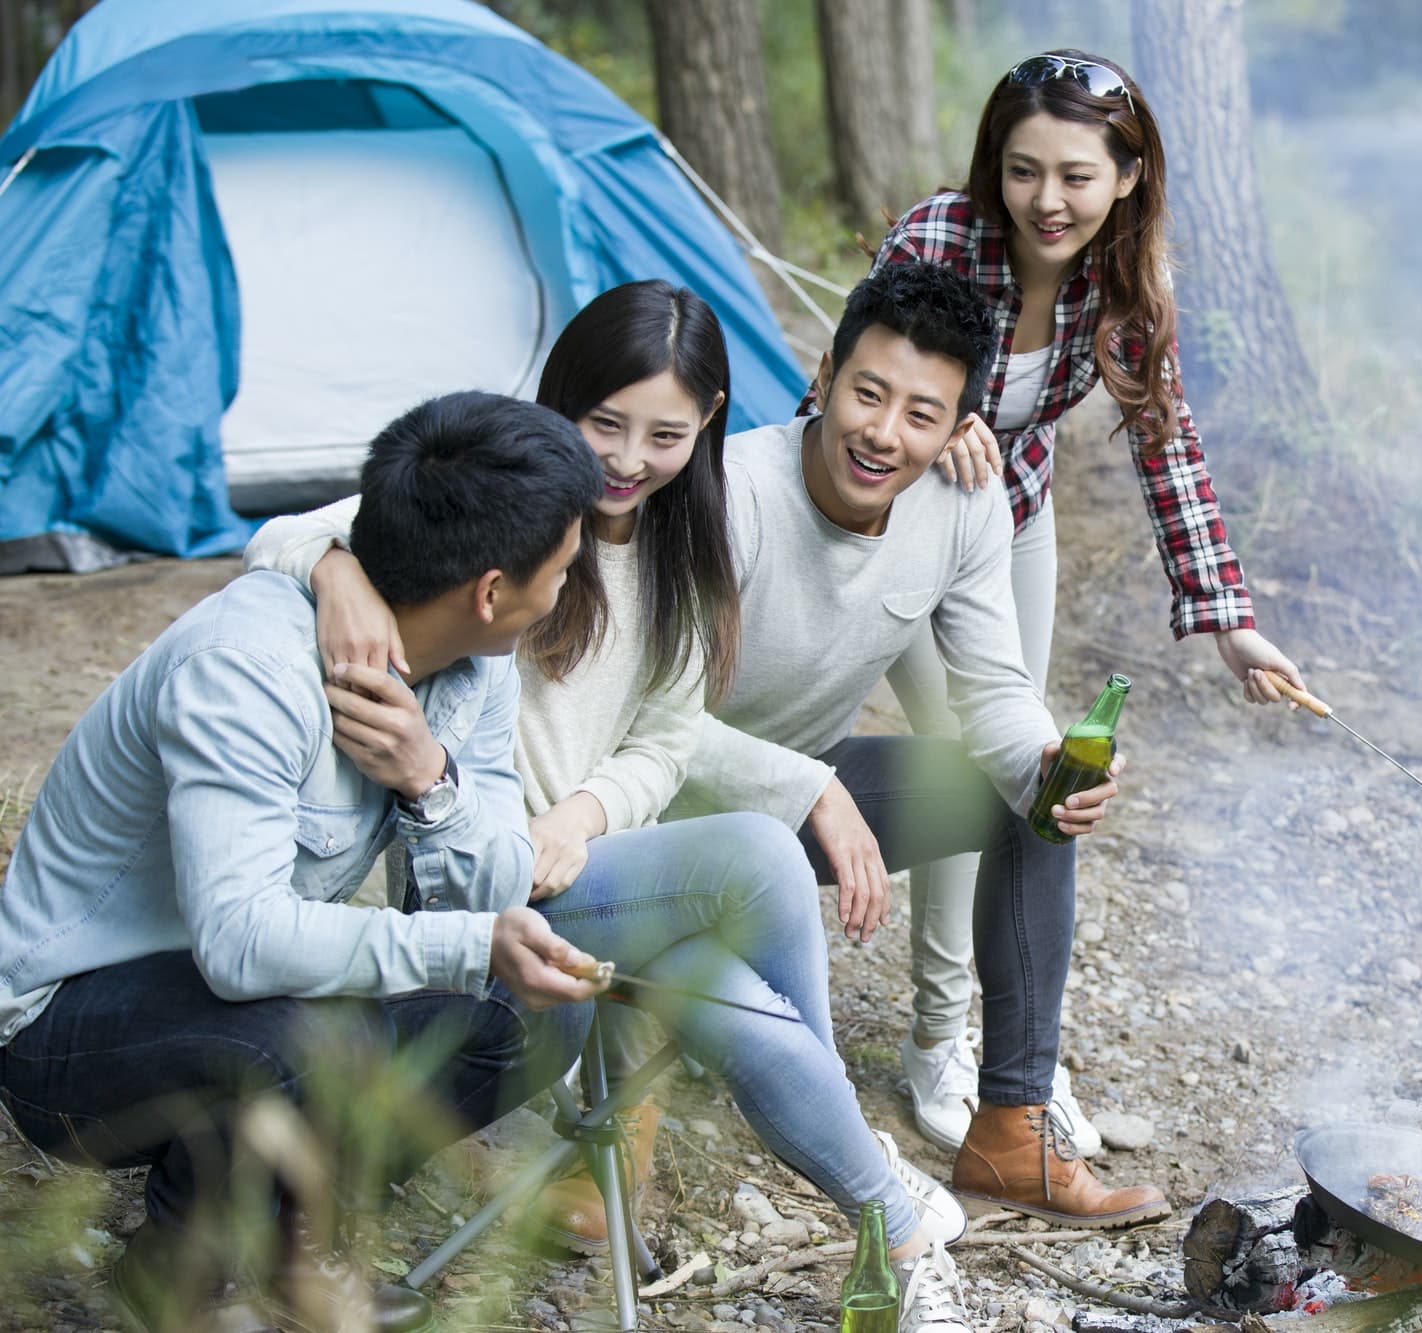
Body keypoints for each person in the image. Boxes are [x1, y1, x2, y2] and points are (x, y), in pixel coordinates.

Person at [244, 282, 973, 1333]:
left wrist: (581, 815)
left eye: (664, 434)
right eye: (604, 424)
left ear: (708, 422)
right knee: (760, 856)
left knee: (725, 980)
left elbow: (664, 741)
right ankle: (883, 1196)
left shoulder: (687, 550)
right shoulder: (508, 498)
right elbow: (279, 536)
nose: (627, 459)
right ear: (562, 402)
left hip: (584, 865)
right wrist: (336, 570)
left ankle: (888, 1231)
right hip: (475, 877)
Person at [0, 392, 608, 1333]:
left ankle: (283, 1219)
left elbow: (490, 882)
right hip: (69, 1024)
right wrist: (466, 942)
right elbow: (239, 945)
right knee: (311, 1037)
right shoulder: (246, 668)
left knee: (526, 1020)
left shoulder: (478, 666)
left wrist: (429, 779)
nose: (567, 586)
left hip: (241, 998)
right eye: (563, 569)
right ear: (491, 589)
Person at [811, 49, 1310, 1155]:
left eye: (1076, 176)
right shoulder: (939, 235)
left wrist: (1224, 618)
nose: (1046, 200)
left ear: (1128, 176)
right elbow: (835, 386)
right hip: (900, 524)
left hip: (1007, 528)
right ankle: (941, 1039)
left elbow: (1162, 441)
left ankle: (1013, 1050)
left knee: (1024, 767)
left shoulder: (1127, 281)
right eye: (1024, 170)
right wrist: (933, 421)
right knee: (964, 773)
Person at [668, 259, 1169, 1228]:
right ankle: (618, 1118)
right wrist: (810, 784)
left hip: (808, 797)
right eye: (866, 394)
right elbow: (655, 725)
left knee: (1029, 803)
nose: (882, 433)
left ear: (958, 428)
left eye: (920, 414)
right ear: (822, 374)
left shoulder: (963, 500)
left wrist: (1043, 760)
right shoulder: (730, 492)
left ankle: (1009, 1129)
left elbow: (993, 690)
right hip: (668, 805)